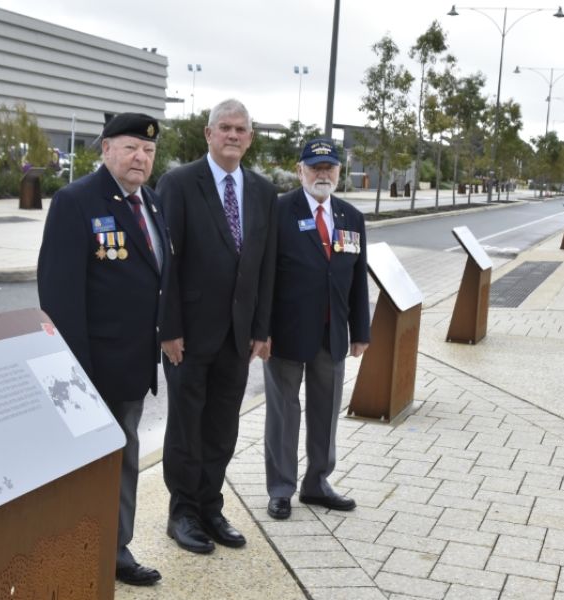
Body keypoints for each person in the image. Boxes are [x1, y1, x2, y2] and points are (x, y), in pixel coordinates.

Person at [37, 113, 167, 587]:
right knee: (82, 467)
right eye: (131, 147)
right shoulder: (76, 202)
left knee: (123, 459)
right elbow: (58, 296)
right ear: (106, 149)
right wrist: (76, 374)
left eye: (149, 151)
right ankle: (70, 550)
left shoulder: (150, 203)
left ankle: (115, 550)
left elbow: (155, 284)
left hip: (132, 368)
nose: (141, 157)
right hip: (89, 369)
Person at [157, 99, 277, 553]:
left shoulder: (264, 193)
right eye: (224, 127)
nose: (232, 135)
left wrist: (262, 329)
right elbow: (166, 263)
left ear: (249, 138)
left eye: (240, 129)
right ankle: (182, 512)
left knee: (223, 427)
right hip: (187, 335)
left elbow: (266, 268)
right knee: (187, 426)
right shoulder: (180, 184)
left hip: (238, 336)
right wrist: (168, 329)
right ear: (208, 134)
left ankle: (210, 506)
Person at [264, 138, 370, 520]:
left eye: (329, 168)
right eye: (315, 167)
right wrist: (262, 330)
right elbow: (264, 277)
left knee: (325, 412)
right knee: (284, 413)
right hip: (286, 332)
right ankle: (280, 488)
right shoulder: (277, 211)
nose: (322, 174)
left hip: (333, 334)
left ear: (339, 172)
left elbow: (358, 279)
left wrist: (361, 331)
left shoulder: (350, 217)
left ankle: (317, 483)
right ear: (300, 170)